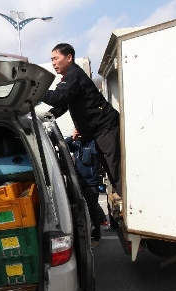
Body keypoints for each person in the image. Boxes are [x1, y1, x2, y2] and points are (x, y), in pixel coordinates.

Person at [42, 43, 122, 201]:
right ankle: (123, 194)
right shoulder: (71, 77)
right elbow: (64, 104)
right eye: (51, 59)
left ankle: (129, 199)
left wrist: (36, 91)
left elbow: (58, 97)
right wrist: (48, 116)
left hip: (105, 127)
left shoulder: (74, 75)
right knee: (109, 166)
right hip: (99, 130)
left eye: (56, 58)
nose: (53, 63)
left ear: (69, 58)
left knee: (114, 167)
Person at [65, 129, 107, 248]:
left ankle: (96, 237)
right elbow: (63, 145)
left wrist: (90, 135)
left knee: (93, 211)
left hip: (91, 184)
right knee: (80, 210)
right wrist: (72, 137)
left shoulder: (93, 144)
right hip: (78, 184)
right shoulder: (77, 144)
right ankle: (85, 233)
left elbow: (99, 150)